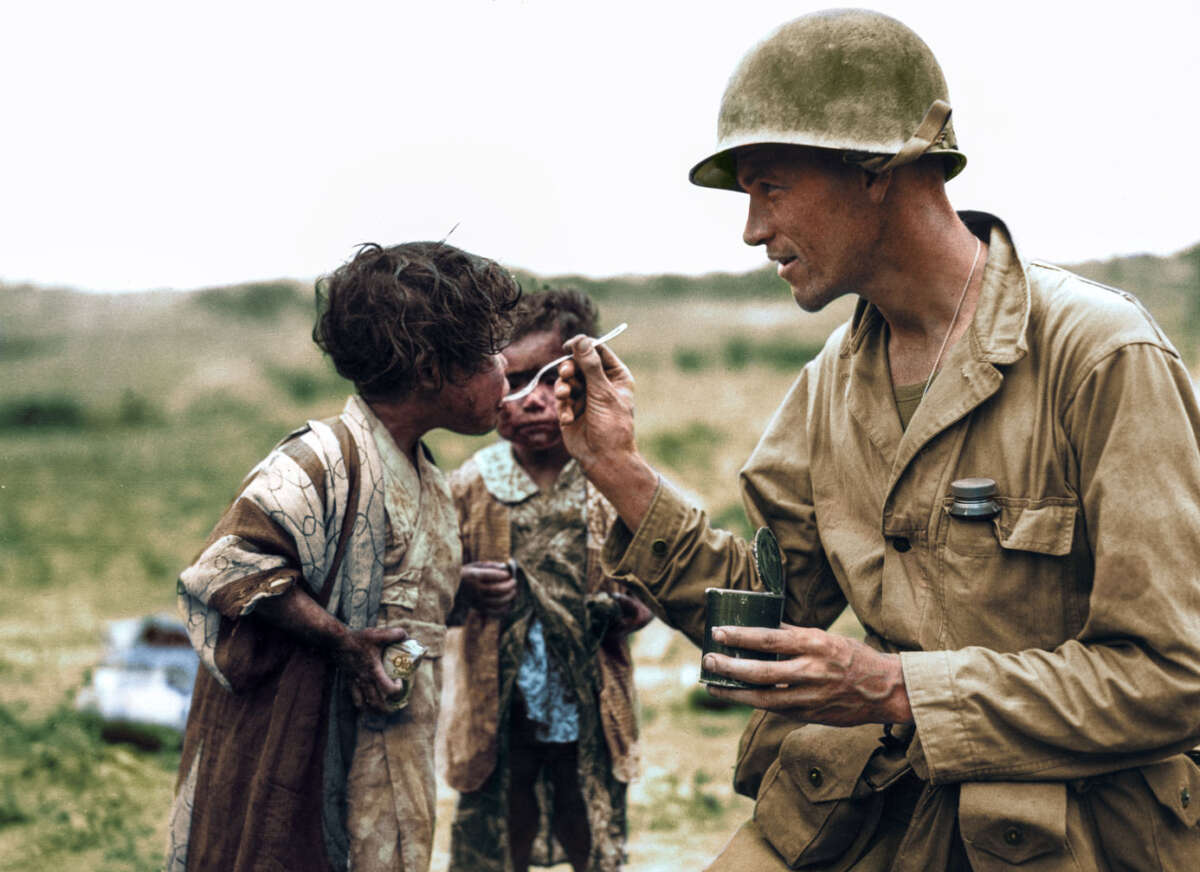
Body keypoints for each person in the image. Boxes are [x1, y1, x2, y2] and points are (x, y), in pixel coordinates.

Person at [551, 8, 1200, 870]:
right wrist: (619, 471)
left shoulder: (1100, 355)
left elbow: (1171, 678)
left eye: (769, 186)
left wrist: (898, 689)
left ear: (876, 170)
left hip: (1059, 833)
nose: (751, 231)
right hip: (859, 817)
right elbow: (771, 624)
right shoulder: (832, 382)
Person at [165, 241, 521, 872]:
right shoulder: (320, 460)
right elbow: (228, 565)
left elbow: (386, 583)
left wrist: (455, 587)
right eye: (490, 353)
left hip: (391, 748)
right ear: (432, 370)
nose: (507, 368)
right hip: (308, 749)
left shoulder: (422, 473)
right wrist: (339, 640)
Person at [439, 288, 653, 872]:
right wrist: (462, 587)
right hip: (500, 706)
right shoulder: (470, 487)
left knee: (587, 820)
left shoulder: (613, 483)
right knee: (502, 824)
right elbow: (429, 598)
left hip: (588, 701)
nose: (531, 401)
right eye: (513, 381)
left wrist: (630, 609)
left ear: (584, 378)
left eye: (549, 380)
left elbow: (650, 585)